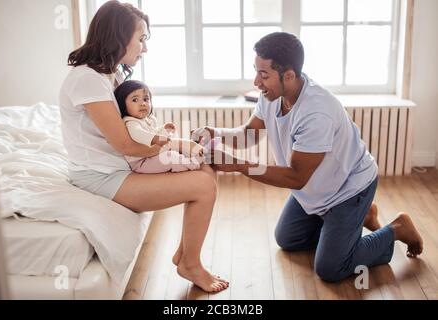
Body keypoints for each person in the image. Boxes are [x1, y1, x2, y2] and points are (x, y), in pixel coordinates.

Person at [194, 32, 423, 282]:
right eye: (256, 71)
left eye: (264, 74)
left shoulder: (316, 112)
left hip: (348, 188)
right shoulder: (271, 96)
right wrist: (213, 132)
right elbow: (249, 134)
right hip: (318, 189)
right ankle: (358, 219)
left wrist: (238, 165)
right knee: (287, 239)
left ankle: (396, 229)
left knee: (331, 268)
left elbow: (296, 177)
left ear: (289, 75)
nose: (256, 82)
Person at [59, 0, 228, 292]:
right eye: (142, 39)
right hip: (101, 176)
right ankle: (191, 263)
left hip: (117, 166)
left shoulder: (107, 74)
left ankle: (186, 256)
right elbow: (127, 143)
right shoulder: (87, 79)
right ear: (119, 37)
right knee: (203, 186)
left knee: (206, 170)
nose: (144, 48)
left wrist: (166, 138)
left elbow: (133, 128)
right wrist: (176, 145)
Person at [114, 80, 207, 173]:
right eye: (135, 100)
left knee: (170, 140)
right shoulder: (130, 122)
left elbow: (152, 132)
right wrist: (155, 139)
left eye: (146, 99)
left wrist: (164, 129)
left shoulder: (147, 120)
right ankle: (190, 164)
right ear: (124, 105)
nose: (143, 103)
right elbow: (138, 134)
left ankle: (189, 155)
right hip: (140, 162)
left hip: (150, 156)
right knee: (171, 156)